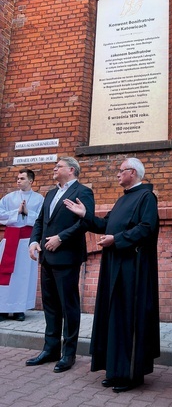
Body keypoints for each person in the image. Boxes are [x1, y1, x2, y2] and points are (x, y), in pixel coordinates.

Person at [64, 157, 160, 393]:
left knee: (128, 318)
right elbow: (104, 224)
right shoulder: (122, 199)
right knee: (113, 317)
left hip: (133, 268)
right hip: (115, 264)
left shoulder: (147, 197)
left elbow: (147, 228)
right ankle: (115, 370)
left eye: (121, 171)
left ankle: (130, 375)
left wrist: (116, 240)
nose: (117, 174)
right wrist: (84, 214)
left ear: (134, 173)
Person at [26, 157, 95, 373]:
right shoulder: (50, 193)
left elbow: (86, 221)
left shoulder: (83, 192)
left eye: (59, 166)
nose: (54, 169)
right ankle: (50, 349)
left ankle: (69, 353)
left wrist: (61, 238)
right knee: (51, 306)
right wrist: (34, 241)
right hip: (46, 257)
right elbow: (40, 221)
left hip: (66, 257)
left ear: (72, 170)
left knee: (68, 306)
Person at [0, 169, 44, 322]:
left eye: (22, 178)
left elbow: (42, 219)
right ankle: (3, 309)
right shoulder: (9, 198)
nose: (18, 181)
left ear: (31, 181)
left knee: (23, 275)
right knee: (6, 275)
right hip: (10, 239)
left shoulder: (39, 199)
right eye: (18, 178)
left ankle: (19, 309)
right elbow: (0, 214)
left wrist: (27, 213)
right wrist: (17, 212)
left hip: (27, 241)